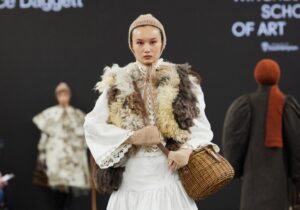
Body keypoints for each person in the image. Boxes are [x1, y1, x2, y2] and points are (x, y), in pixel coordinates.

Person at [84, 14, 219, 210]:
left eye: (153, 41)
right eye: (140, 42)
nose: (147, 48)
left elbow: (200, 127)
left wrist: (186, 151)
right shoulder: (117, 82)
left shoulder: (184, 81)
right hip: (131, 179)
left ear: (162, 43)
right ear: (131, 45)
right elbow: (92, 126)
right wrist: (132, 137)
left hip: (169, 176)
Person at [222, 59, 300, 210]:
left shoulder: (244, 105)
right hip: (282, 186)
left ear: (257, 76)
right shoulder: (287, 105)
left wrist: (235, 168)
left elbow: (233, 142)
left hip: (253, 186)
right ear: (278, 76)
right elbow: (297, 147)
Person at [32, 82, 91, 210]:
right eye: (60, 94)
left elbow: (84, 138)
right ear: (57, 96)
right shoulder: (50, 114)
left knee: (69, 191)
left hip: (72, 158)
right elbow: (45, 135)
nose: (63, 97)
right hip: (56, 156)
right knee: (57, 190)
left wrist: (83, 148)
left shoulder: (77, 115)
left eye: (65, 94)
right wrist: (42, 155)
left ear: (69, 95)